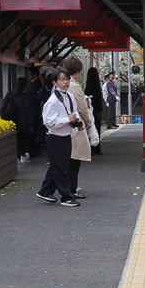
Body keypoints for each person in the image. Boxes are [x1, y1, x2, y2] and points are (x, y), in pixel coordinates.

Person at [37, 70, 84, 207]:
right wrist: (67, 119)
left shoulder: (69, 96)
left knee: (59, 165)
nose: (66, 82)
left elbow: (74, 112)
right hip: (55, 137)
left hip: (66, 135)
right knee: (61, 167)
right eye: (62, 79)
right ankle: (66, 196)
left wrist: (77, 122)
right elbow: (48, 122)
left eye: (67, 79)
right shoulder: (52, 101)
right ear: (54, 83)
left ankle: (45, 191)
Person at [63, 56, 100, 192]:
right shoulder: (74, 86)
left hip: (64, 125)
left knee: (68, 159)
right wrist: (88, 120)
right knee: (75, 158)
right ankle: (71, 189)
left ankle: (66, 188)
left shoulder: (62, 85)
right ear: (77, 71)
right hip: (76, 125)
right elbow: (82, 107)